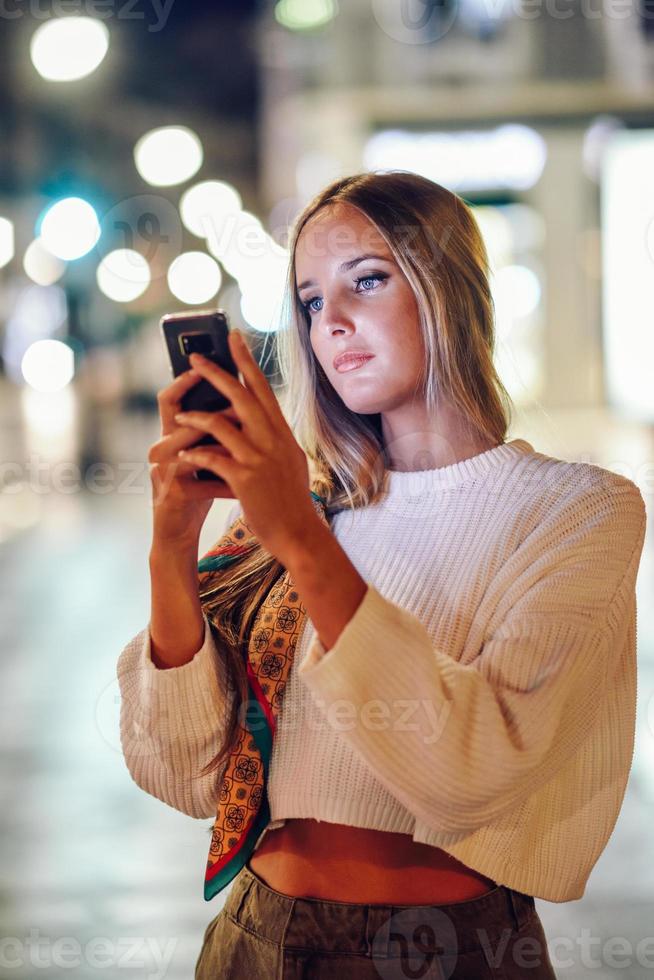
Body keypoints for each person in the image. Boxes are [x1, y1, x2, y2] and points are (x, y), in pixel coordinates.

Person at [116, 170, 647, 979]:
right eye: (311, 302)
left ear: (451, 289)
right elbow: (185, 775)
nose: (334, 323)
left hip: (452, 948)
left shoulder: (578, 511)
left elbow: (468, 774)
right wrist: (172, 549)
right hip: (255, 936)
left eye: (367, 280)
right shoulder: (303, 502)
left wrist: (299, 535)